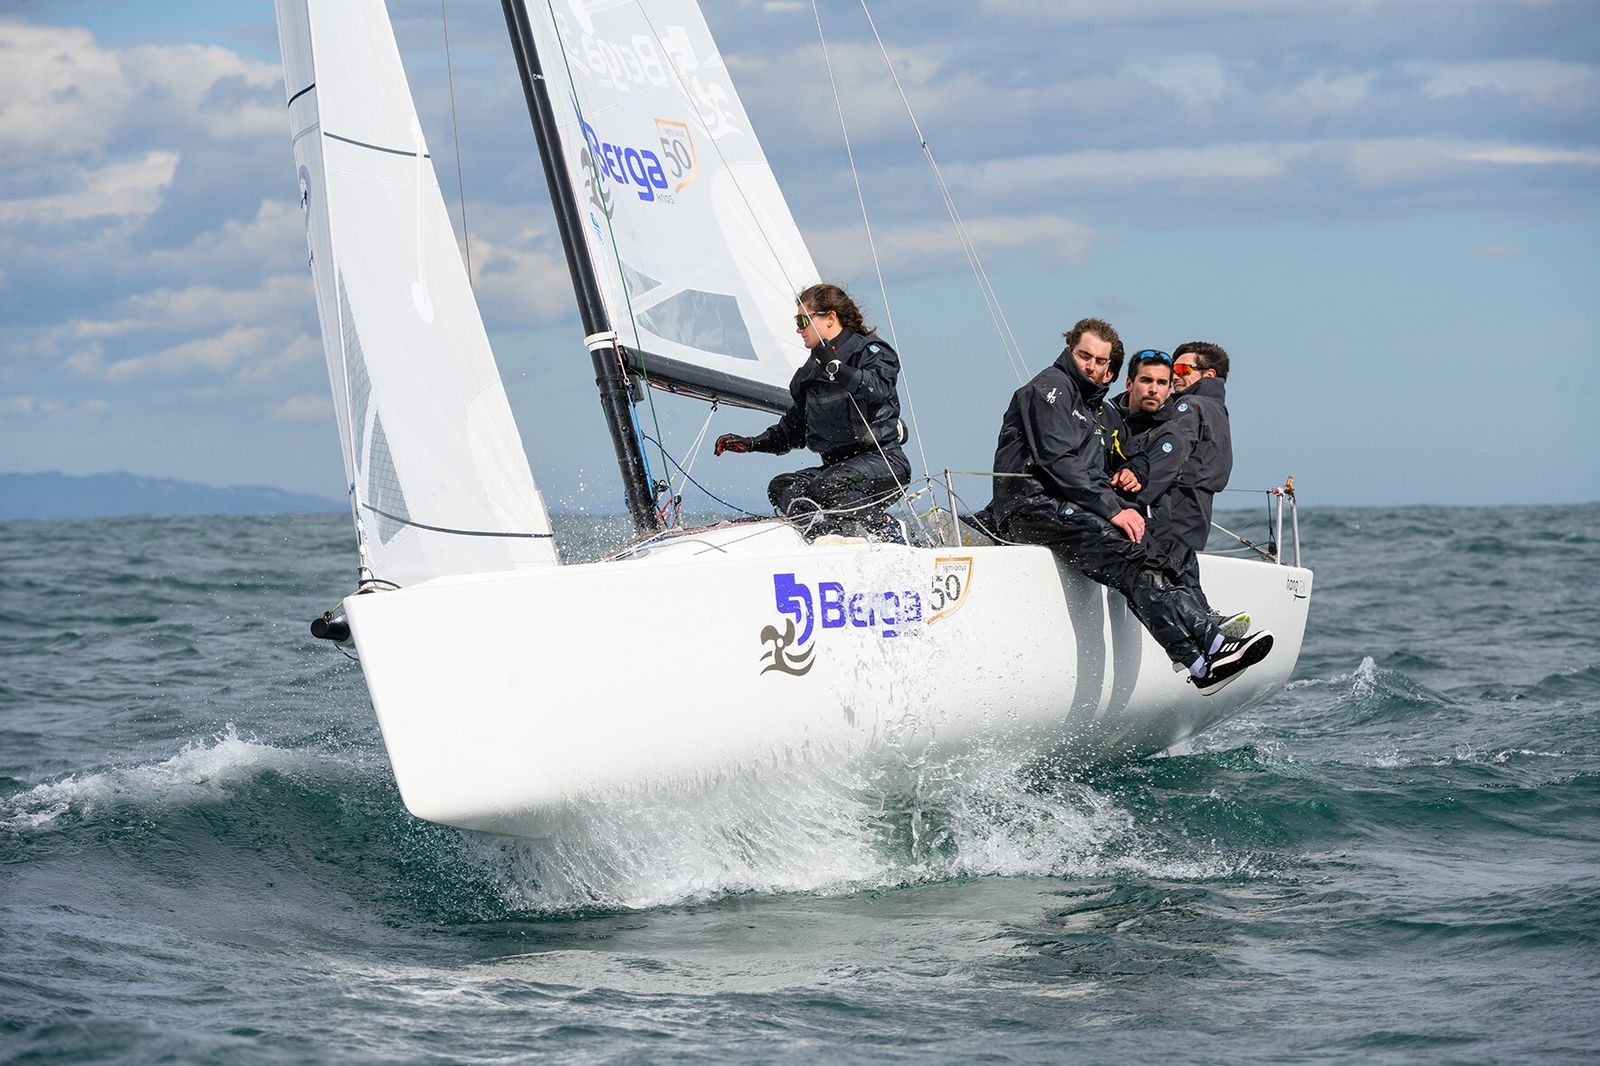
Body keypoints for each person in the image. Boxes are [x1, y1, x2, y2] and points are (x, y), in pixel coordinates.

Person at [989, 319, 1271, 694]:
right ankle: (1210, 640)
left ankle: (1202, 663)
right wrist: (1114, 508)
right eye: (1084, 355)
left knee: (1139, 556)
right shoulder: (1050, 388)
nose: (1091, 365)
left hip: (1064, 506)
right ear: (1069, 349)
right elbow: (1059, 462)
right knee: (1128, 549)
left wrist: (1133, 469)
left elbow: (1130, 452)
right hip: (1029, 507)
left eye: (1100, 360)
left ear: (1110, 367)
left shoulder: (1098, 409)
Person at [714, 283, 910, 541]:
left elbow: (878, 389)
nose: (798, 329)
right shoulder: (809, 373)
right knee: (784, 486)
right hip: (837, 469)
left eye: (802, 320)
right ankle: (827, 537)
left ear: (830, 318)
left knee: (829, 485)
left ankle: (889, 530)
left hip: (883, 462)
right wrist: (751, 443)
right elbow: (792, 432)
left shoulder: (870, 351)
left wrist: (836, 367)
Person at [1164, 341, 1234, 612]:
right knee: (1183, 566)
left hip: (1179, 500)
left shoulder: (1189, 404)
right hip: (1199, 504)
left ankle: (1205, 629)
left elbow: (1172, 455)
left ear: (1209, 374)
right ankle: (1210, 622)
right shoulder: (1217, 407)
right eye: (1173, 369)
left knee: (1169, 568)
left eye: (1183, 368)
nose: (1175, 375)